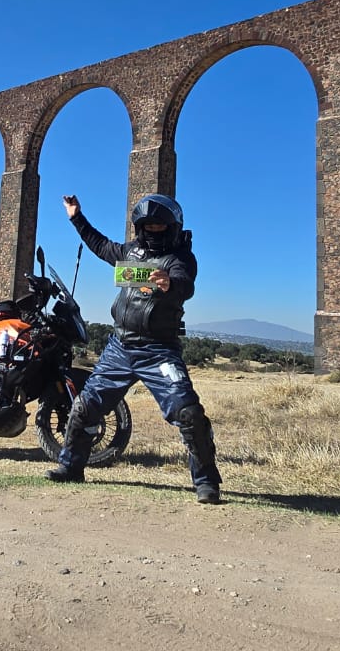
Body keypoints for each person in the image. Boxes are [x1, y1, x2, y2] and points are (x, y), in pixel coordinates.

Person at [47, 192, 222, 504]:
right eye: (147, 226)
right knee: (84, 407)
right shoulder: (132, 252)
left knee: (189, 413)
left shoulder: (180, 259)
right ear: (140, 228)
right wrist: (76, 217)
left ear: (172, 227)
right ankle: (70, 466)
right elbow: (100, 245)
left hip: (159, 350)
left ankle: (206, 482)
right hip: (120, 347)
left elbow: (186, 284)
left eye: (159, 225)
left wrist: (170, 284)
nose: (153, 230)